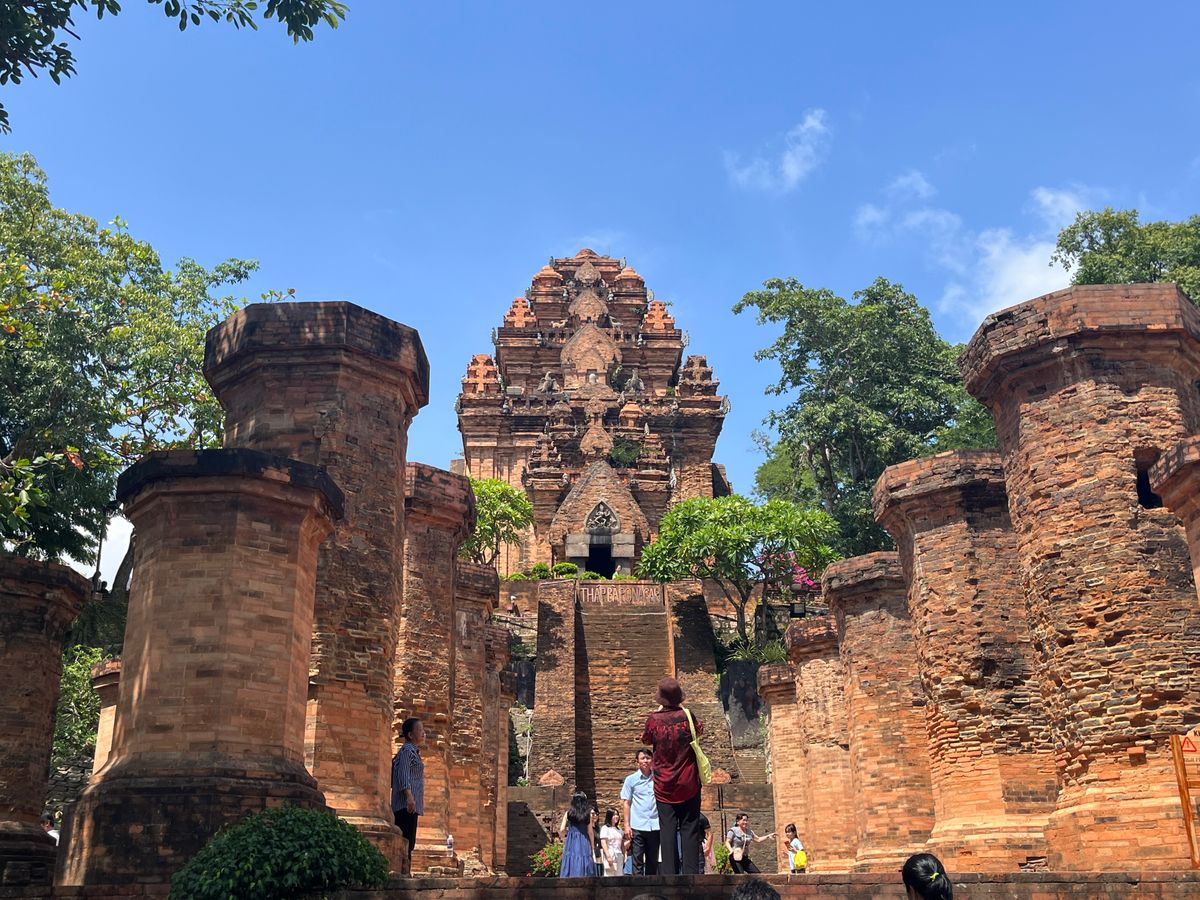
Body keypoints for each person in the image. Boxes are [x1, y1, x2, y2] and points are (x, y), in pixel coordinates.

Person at [640, 675, 703, 875]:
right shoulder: (688, 716)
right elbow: (698, 732)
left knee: (667, 830)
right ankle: (691, 875)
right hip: (688, 781)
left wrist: (660, 712)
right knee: (690, 829)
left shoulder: (654, 720)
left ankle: (669, 875)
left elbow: (646, 739)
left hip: (664, 784)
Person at [391, 717, 425, 872]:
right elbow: (404, 774)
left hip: (412, 805)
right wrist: (409, 796)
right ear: (410, 735)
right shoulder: (407, 751)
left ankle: (405, 870)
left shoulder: (414, 752)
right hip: (405, 804)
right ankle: (401, 870)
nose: (423, 733)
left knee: (410, 840)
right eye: (419, 730)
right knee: (405, 838)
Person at [621, 748, 661, 874]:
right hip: (638, 825)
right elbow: (626, 803)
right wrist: (626, 825)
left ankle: (651, 885)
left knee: (653, 861)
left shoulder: (658, 778)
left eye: (648, 758)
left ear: (652, 760)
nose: (645, 761)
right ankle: (637, 885)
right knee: (637, 860)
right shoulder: (631, 780)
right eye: (642, 758)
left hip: (655, 825)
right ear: (637, 761)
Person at [558, 791, 597, 877]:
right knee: (584, 858)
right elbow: (590, 832)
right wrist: (592, 847)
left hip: (571, 840)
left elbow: (562, 829)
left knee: (571, 858)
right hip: (583, 839)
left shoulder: (568, 813)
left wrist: (569, 833)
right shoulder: (587, 814)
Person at [600, 808, 625, 876]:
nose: (616, 817)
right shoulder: (605, 828)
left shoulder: (619, 830)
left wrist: (623, 855)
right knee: (610, 875)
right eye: (614, 815)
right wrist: (608, 856)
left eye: (617, 815)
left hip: (619, 854)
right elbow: (603, 842)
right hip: (611, 853)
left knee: (619, 875)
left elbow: (622, 844)